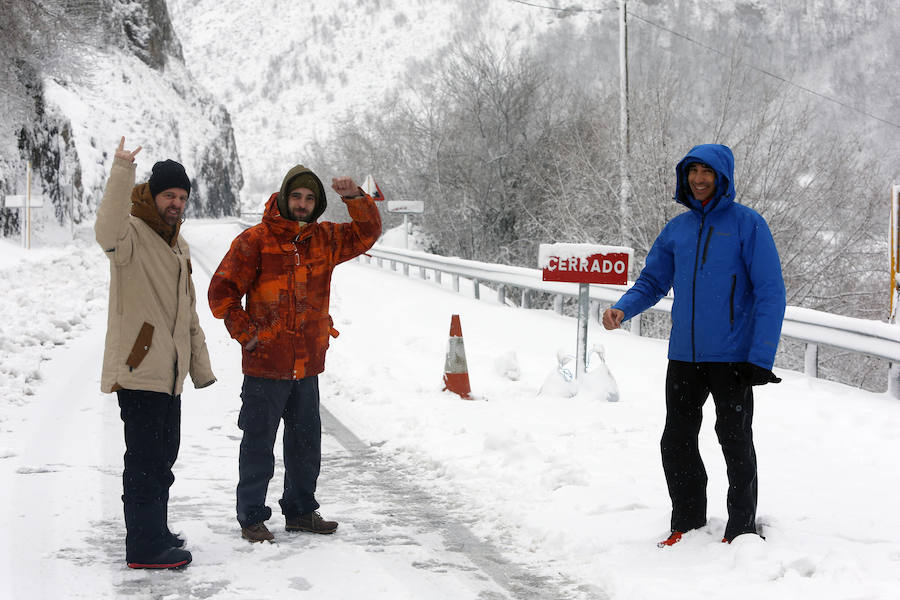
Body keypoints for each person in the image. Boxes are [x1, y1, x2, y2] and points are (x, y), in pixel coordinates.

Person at [602, 143, 785, 546]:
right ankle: (686, 520)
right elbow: (653, 281)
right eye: (693, 171)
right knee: (676, 439)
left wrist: (760, 357)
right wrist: (623, 308)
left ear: (723, 177)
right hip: (684, 354)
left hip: (733, 357)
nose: (699, 180)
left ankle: (741, 527)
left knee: (734, 439)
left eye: (708, 172)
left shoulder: (747, 224)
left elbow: (771, 292)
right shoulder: (677, 230)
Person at [208, 165, 381, 542]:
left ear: (316, 203)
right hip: (265, 365)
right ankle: (252, 516)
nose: (302, 204)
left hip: (307, 365)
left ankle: (301, 511)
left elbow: (367, 233)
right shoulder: (255, 240)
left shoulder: (325, 240)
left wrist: (355, 198)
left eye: (309, 199)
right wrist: (248, 335)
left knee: (306, 445)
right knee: (258, 444)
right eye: (296, 197)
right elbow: (221, 293)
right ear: (285, 198)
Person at [95, 137, 216, 569]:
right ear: (152, 194)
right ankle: (143, 547)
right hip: (140, 369)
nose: (176, 203)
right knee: (145, 463)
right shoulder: (129, 234)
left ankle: (156, 529)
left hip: (169, 374)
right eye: (169, 195)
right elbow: (105, 228)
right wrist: (122, 169)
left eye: (182, 197)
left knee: (164, 458)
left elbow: (188, 316)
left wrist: (198, 368)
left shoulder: (177, 244)